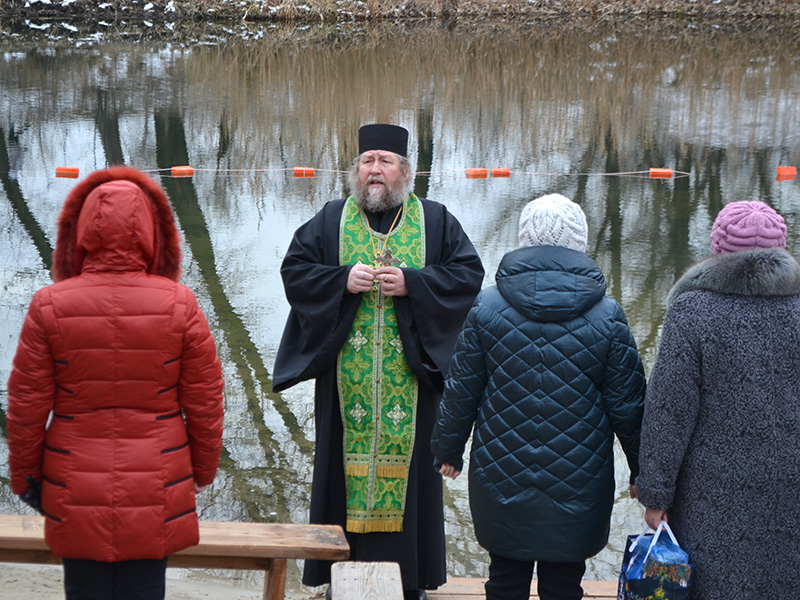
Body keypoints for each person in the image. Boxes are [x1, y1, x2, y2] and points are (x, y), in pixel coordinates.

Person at [272, 123, 484, 600]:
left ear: (404, 171)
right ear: (356, 171)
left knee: (410, 485)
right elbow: (295, 272)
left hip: (411, 384)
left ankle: (410, 583)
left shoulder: (436, 221)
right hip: (345, 392)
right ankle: (337, 580)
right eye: (367, 162)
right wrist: (341, 282)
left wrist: (415, 285)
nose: (374, 171)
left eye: (384, 162)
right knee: (339, 483)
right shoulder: (331, 220)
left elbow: (468, 275)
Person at [7, 166, 225, 600]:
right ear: (151, 231)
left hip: (73, 480)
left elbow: (26, 406)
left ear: (81, 231)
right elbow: (205, 403)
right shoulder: (179, 305)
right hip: (157, 479)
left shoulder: (49, 304)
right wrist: (200, 472)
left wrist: (25, 476)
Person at [431, 194, 646, 600]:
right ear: (579, 242)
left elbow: (462, 389)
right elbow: (629, 406)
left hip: (501, 474)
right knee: (565, 585)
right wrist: (643, 472)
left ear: (524, 240)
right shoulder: (608, 316)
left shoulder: (487, 307)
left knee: (505, 580)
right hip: (580, 480)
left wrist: (448, 448)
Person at [636, 200, 800, 599]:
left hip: (711, 496)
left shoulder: (693, 311)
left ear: (717, 250)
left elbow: (668, 412)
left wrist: (656, 494)